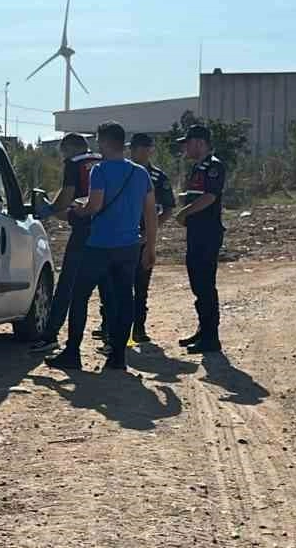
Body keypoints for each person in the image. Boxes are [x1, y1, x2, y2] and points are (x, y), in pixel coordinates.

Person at [46, 121, 158, 373]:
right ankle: (118, 356)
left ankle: (72, 352)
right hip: (129, 246)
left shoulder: (100, 170)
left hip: (99, 245)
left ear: (105, 142)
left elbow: (95, 205)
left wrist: (77, 211)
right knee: (124, 299)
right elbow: (150, 212)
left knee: (80, 297)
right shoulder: (140, 173)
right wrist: (150, 247)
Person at [29, 133, 103, 353]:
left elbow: (67, 194)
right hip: (107, 230)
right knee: (107, 285)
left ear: (71, 148)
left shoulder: (74, 164)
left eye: (64, 151)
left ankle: (51, 335)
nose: (63, 157)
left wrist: (50, 209)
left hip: (83, 228)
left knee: (67, 285)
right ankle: (111, 338)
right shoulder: (101, 160)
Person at [174, 124, 226, 354]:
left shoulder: (214, 166)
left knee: (205, 285)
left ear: (200, 143)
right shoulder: (197, 167)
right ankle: (203, 330)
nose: (185, 148)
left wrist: (184, 212)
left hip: (208, 233)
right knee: (197, 283)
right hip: (196, 232)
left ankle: (211, 337)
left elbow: (210, 197)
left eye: (188, 143)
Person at [127, 132, 175, 343]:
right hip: (120, 237)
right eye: (134, 148)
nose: (134, 152)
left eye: (142, 148)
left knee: (141, 286)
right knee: (114, 285)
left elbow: (168, 208)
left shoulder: (157, 177)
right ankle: (110, 327)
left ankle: (138, 328)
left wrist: (150, 233)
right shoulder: (123, 172)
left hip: (143, 237)